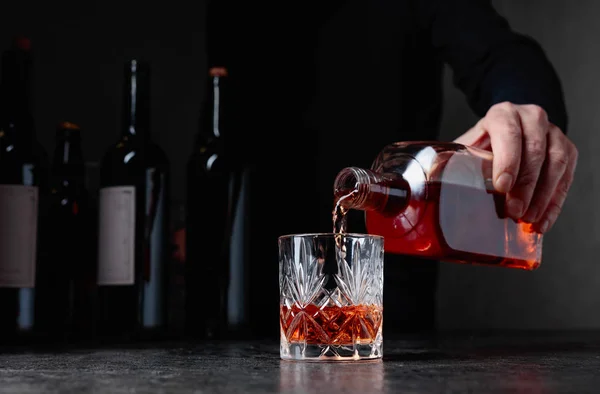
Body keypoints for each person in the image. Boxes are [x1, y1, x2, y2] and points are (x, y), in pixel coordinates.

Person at [205, 0, 578, 338]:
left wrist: (523, 112)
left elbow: (502, 54)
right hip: (231, 296)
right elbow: (221, 120)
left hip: (393, 330)